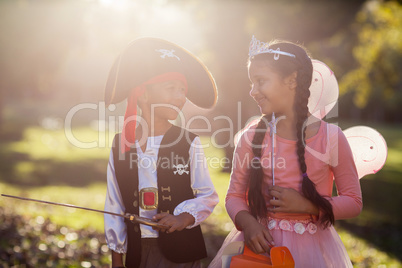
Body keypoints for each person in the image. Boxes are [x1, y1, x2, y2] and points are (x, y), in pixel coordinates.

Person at [209, 36, 362, 268]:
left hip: (312, 250)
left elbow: (353, 201)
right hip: (259, 248)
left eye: (260, 81)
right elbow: (234, 196)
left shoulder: (331, 138)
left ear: (292, 80)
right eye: (252, 83)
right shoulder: (252, 136)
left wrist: (308, 206)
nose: (253, 91)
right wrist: (248, 224)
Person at [103, 37, 219, 268]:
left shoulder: (189, 142)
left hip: (181, 254)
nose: (181, 97)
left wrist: (183, 218)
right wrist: (117, 256)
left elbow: (208, 195)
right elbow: (114, 203)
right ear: (144, 95)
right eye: (171, 89)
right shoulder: (121, 144)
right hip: (138, 253)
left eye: (183, 90)